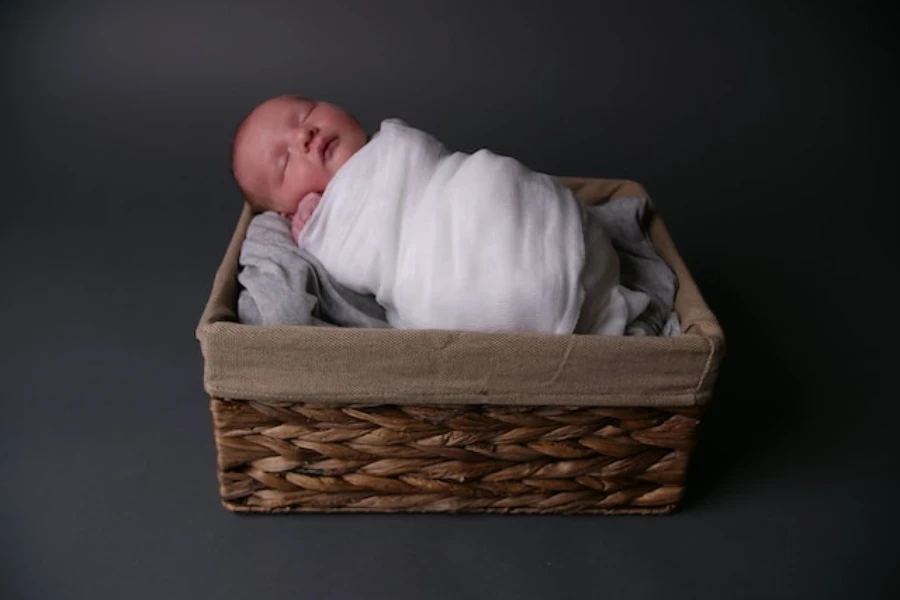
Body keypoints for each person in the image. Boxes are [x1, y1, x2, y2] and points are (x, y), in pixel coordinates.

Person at [231, 94, 650, 335]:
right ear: (288, 212)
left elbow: (435, 170)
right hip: (439, 263)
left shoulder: (392, 144)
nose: (304, 135)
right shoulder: (322, 225)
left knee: (492, 184)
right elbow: (369, 256)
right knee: (432, 292)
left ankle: (573, 270)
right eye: (285, 161)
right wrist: (319, 231)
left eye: (306, 113)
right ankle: (555, 297)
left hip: (505, 203)